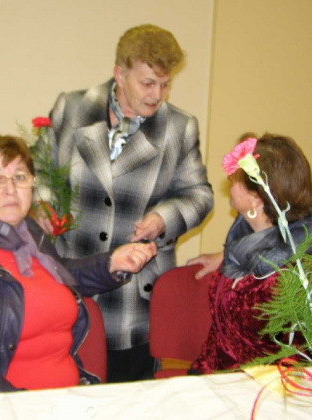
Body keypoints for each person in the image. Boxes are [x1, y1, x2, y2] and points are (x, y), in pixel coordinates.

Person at [0, 132, 157, 397]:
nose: (10, 189)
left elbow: (55, 279)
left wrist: (111, 263)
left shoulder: (30, 235)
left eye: (20, 177)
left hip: (66, 398)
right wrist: (16, 401)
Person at [37, 24, 213, 382]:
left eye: (165, 84)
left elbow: (200, 195)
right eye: (148, 83)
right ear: (120, 74)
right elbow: (38, 170)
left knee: (128, 397)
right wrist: (41, 205)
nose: (157, 95)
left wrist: (163, 218)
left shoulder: (179, 128)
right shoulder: (72, 108)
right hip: (71, 282)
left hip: (134, 298)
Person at [186, 133, 312, 374]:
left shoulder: (302, 270)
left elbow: (307, 359)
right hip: (218, 373)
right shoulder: (245, 238)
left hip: (271, 387)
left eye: (235, 177)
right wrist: (223, 255)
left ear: (256, 199)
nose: (229, 178)